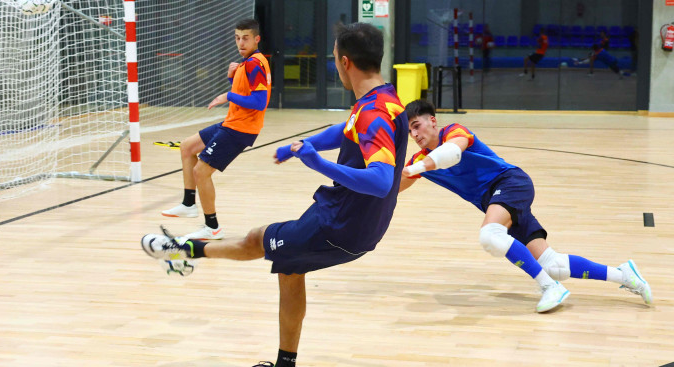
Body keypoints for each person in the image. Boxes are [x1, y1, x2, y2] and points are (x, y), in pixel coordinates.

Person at [142, 22, 408, 367]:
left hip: (341, 225)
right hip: (351, 217)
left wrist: (316, 163)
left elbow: (381, 180)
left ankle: (182, 250)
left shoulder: (373, 113)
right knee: (290, 269)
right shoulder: (384, 99)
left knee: (256, 240)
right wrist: (306, 145)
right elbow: (346, 130)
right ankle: (285, 362)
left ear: (344, 62)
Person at [398, 99, 652, 313]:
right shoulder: (419, 161)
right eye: (410, 131)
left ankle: (550, 287)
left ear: (433, 120)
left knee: (490, 235)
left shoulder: (454, 131)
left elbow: (451, 153)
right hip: (498, 201)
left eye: (416, 126)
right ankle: (624, 275)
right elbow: (392, 188)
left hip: (510, 183)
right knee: (555, 265)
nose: (415, 135)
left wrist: (414, 168)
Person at [160, 18, 271, 240]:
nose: (241, 43)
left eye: (246, 38)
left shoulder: (254, 64)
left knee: (201, 172)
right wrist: (232, 79)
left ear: (256, 39)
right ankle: (189, 203)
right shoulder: (246, 63)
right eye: (237, 38)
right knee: (187, 147)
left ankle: (212, 227)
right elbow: (245, 94)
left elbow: (259, 103)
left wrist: (227, 95)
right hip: (232, 122)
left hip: (240, 129)